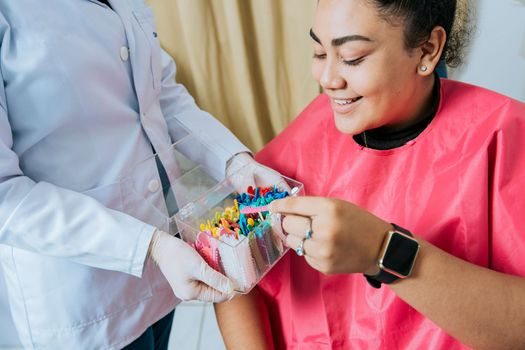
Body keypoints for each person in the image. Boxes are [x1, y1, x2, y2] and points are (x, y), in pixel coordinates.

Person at [215, 0, 525, 349]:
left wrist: (383, 251)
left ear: (427, 49)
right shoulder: (299, 144)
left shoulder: (503, 138)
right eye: (319, 52)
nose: (328, 79)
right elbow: (230, 261)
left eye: (352, 57)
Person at [0, 0, 280, 348]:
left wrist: (235, 161)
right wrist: (148, 246)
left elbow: (160, 94)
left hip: (163, 273)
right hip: (83, 299)